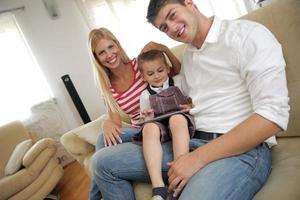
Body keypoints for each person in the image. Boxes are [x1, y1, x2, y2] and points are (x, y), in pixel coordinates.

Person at [92, 0, 290, 199]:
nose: (172, 28)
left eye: (172, 15)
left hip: (239, 150)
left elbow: (273, 116)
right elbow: (176, 92)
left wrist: (196, 159)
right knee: (101, 163)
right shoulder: (190, 55)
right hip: (190, 139)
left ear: (189, 3)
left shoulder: (247, 35)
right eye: (164, 27)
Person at [88, 27, 181, 200]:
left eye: (110, 47)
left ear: (118, 45)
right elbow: (114, 121)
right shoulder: (107, 87)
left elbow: (175, 72)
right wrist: (107, 123)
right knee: (103, 138)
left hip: (158, 126)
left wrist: (165, 49)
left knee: (101, 143)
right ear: (97, 59)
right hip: (138, 130)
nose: (109, 55)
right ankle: (98, 192)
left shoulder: (139, 66)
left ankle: (93, 197)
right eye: (102, 52)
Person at [134, 49, 195, 200]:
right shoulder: (145, 95)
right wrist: (147, 117)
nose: (156, 76)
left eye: (160, 70)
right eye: (150, 73)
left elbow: (193, 98)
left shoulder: (179, 81)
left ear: (167, 68)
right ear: (143, 77)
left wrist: (190, 105)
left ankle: (178, 177)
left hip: (180, 120)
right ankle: (158, 188)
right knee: (148, 128)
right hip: (160, 125)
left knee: (176, 119)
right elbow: (144, 119)